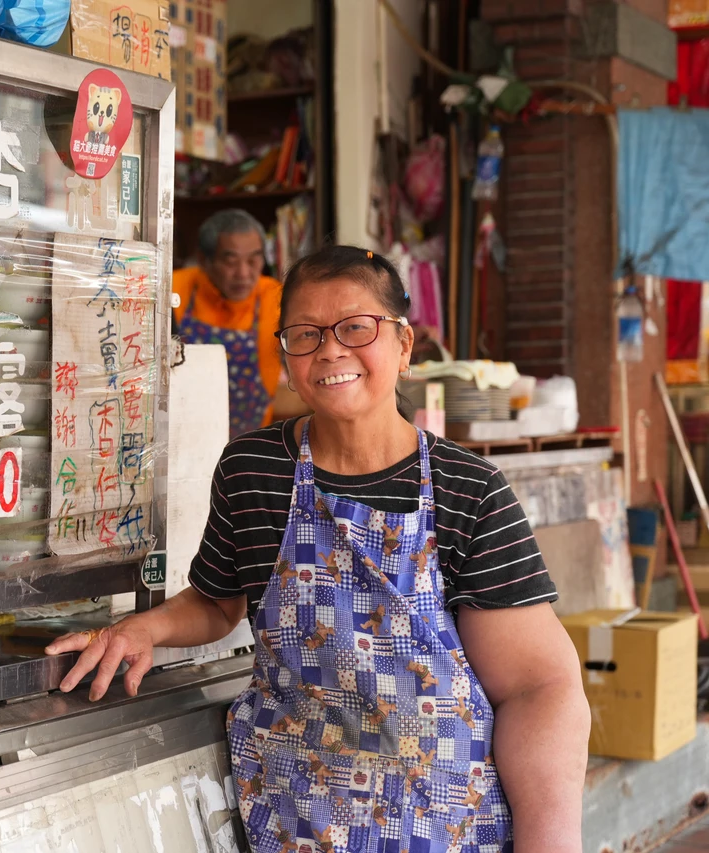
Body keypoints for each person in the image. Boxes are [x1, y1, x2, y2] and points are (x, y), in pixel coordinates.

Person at [49, 246, 589, 852]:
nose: (330, 350)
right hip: (298, 822)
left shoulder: (470, 492)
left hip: (443, 829)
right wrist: (141, 628)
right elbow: (218, 600)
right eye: (305, 334)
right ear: (285, 356)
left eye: (356, 328)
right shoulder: (254, 469)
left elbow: (538, 688)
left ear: (404, 346)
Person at [174, 209, 306, 437]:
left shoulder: (276, 298)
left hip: (250, 445)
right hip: (181, 437)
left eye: (254, 260)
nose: (244, 273)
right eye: (231, 262)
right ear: (205, 261)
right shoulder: (174, 289)